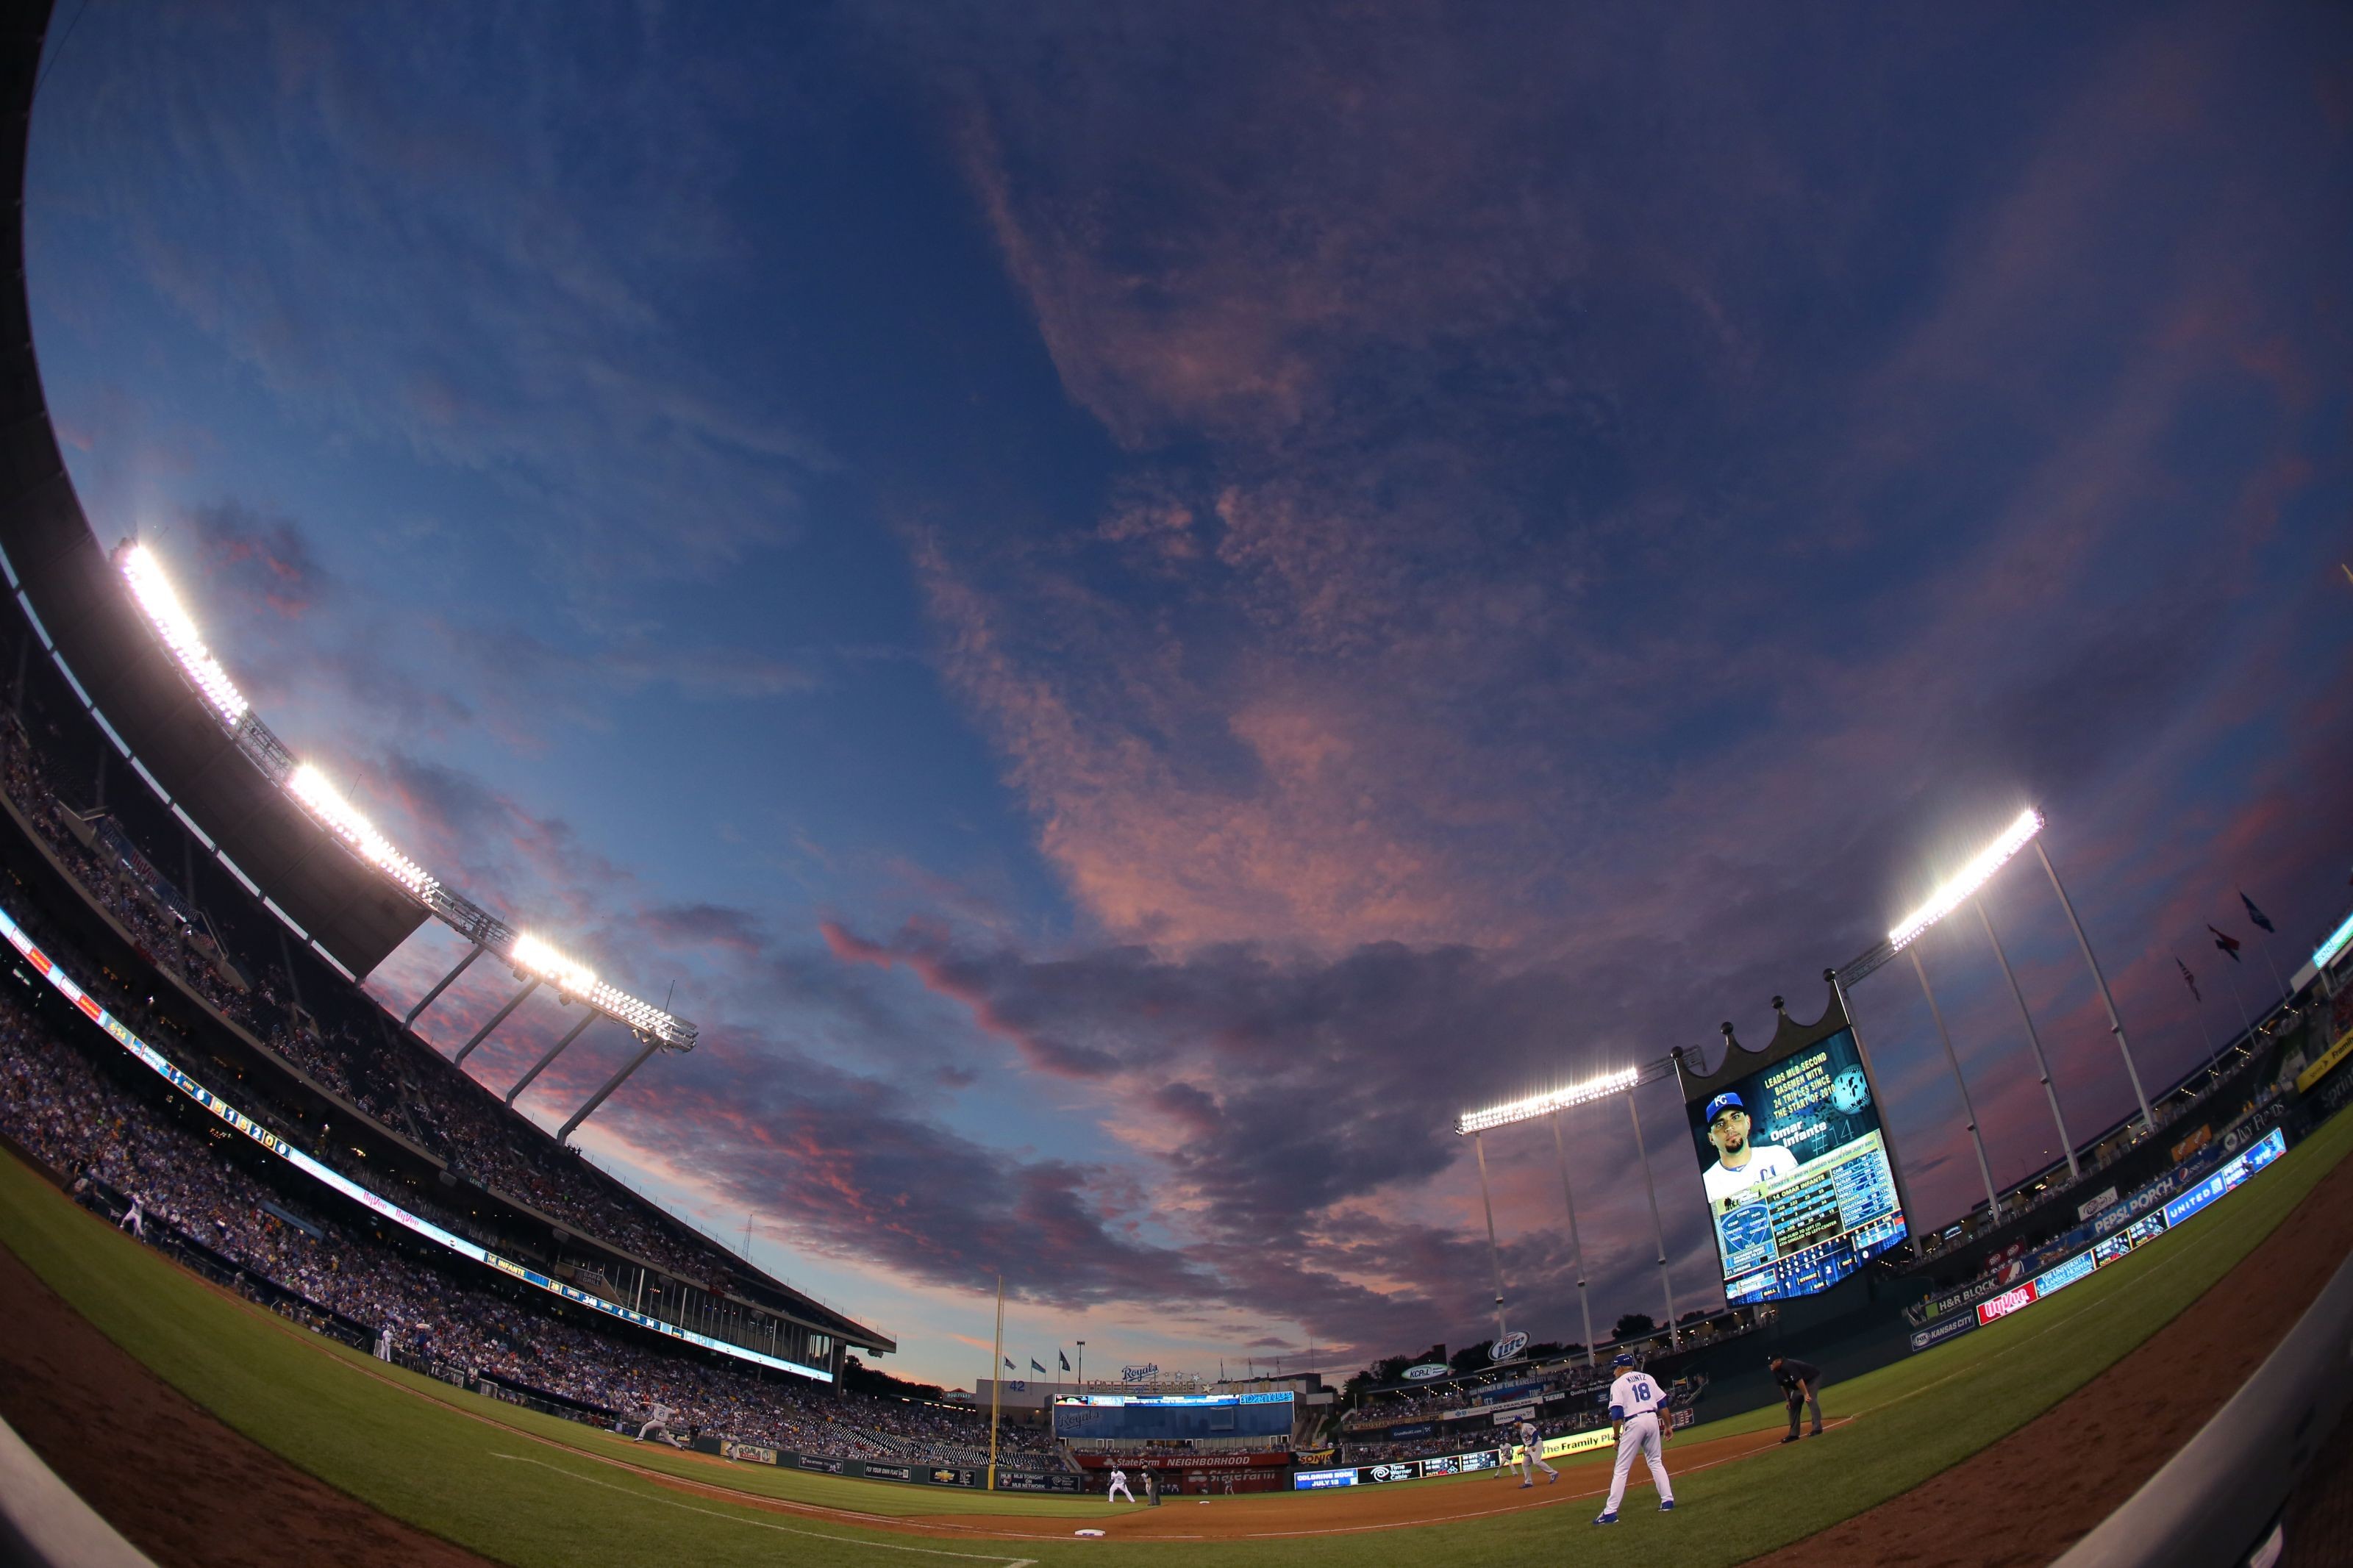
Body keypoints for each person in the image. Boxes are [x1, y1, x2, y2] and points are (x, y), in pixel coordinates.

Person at [1593, 1353, 1674, 1525]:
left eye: (1615, 1368)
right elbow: (1663, 1405)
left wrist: (1616, 1437)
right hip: (1652, 1419)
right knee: (1655, 1462)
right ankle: (1667, 1501)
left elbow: (1616, 1414)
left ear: (1621, 1368)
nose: (1614, 1372)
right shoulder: (1648, 1378)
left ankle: (1610, 1512)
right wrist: (1668, 1426)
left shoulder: (1618, 1384)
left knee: (1621, 1469)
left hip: (1634, 1421)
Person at [1700, 1092, 1799, 1206]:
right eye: (1720, 1124)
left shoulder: (1779, 1156)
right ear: (1711, 1138)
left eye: (1735, 1117)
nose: (1729, 1127)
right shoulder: (1706, 1185)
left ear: (1748, 1122)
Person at [1770, 1354, 1824, 1440]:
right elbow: (1783, 1386)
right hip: (1799, 1385)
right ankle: (1793, 1434)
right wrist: (1788, 1400)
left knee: (1810, 1400)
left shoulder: (1788, 1365)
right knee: (1792, 1406)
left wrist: (1806, 1394)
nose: (1770, 1366)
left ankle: (1817, 1429)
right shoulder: (1776, 1370)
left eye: (1772, 1363)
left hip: (1811, 1380)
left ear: (1779, 1361)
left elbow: (1799, 1380)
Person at [1513, 1419, 1557, 1488]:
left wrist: (1533, 1445)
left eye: (1515, 1422)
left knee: (1536, 1462)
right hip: (1530, 1446)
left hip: (1536, 1444)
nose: (1514, 1424)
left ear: (1519, 1422)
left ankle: (1553, 1473)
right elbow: (1527, 1440)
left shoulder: (1526, 1426)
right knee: (1525, 1464)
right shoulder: (1521, 1430)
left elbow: (1535, 1434)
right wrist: (1524, 1447)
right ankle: (1528, 1483)